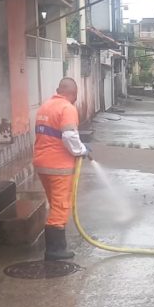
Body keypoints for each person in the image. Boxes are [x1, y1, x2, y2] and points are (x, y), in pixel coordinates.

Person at [33, 78, 91, 260]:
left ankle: (54, 246)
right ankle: (55, 250)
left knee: (55, 203)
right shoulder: (67, 108)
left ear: (58, 90)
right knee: (61, 206)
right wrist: (82, 150)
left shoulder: (45, 106)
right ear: (73, 94)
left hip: (42, 164)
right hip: (59, 167)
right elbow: (69, 136)